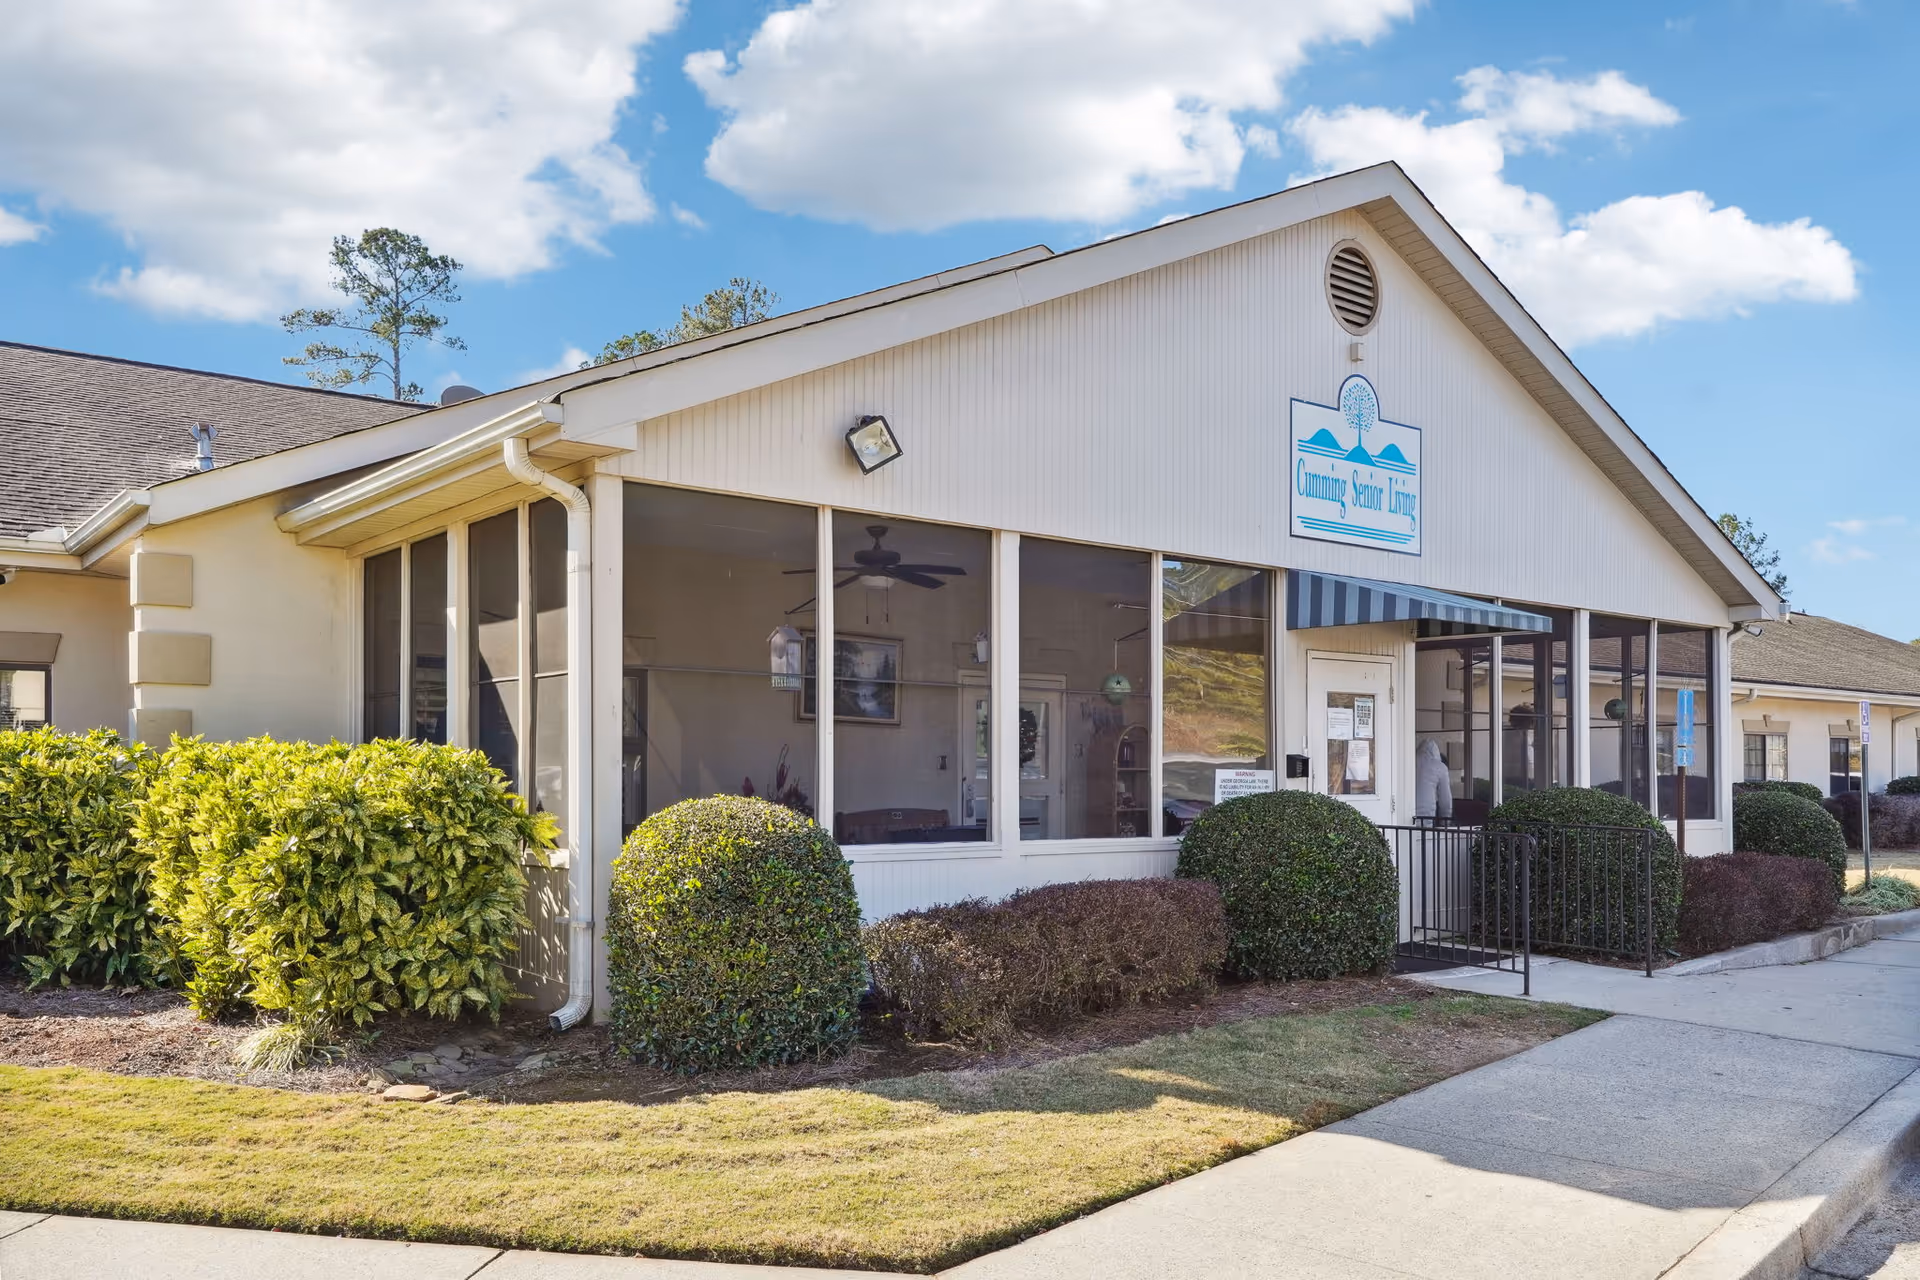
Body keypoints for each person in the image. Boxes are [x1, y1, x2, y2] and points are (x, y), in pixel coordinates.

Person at [1414, 738, 1452, 822]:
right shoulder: (1440, 767)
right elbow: (1445, 800)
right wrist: (1445, 821)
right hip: (1426, 817)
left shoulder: (1408, 762)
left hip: (1405, 816)